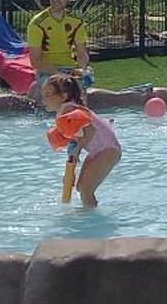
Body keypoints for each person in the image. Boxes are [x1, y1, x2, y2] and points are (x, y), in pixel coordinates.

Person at [41, 72, 120, 207]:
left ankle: (91, 221)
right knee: (81, 187)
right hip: (100, 150)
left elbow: (89, 130)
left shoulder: (70, 109)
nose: (43, 100)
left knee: (86, 190)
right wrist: (69, 171)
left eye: (48, 95)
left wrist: (77, 151)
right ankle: (90, 214)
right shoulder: (66, 112)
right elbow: (75, 139)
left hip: (107, 150)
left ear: (64, 96)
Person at [26, 0, 91, 95]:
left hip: (70, 68)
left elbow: (81, 54)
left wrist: (83, 70)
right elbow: (35, 61)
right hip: (47, 71)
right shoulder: (37, 23)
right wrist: (60, 75)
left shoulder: (76, 22)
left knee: (82, 86)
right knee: (62, 88)